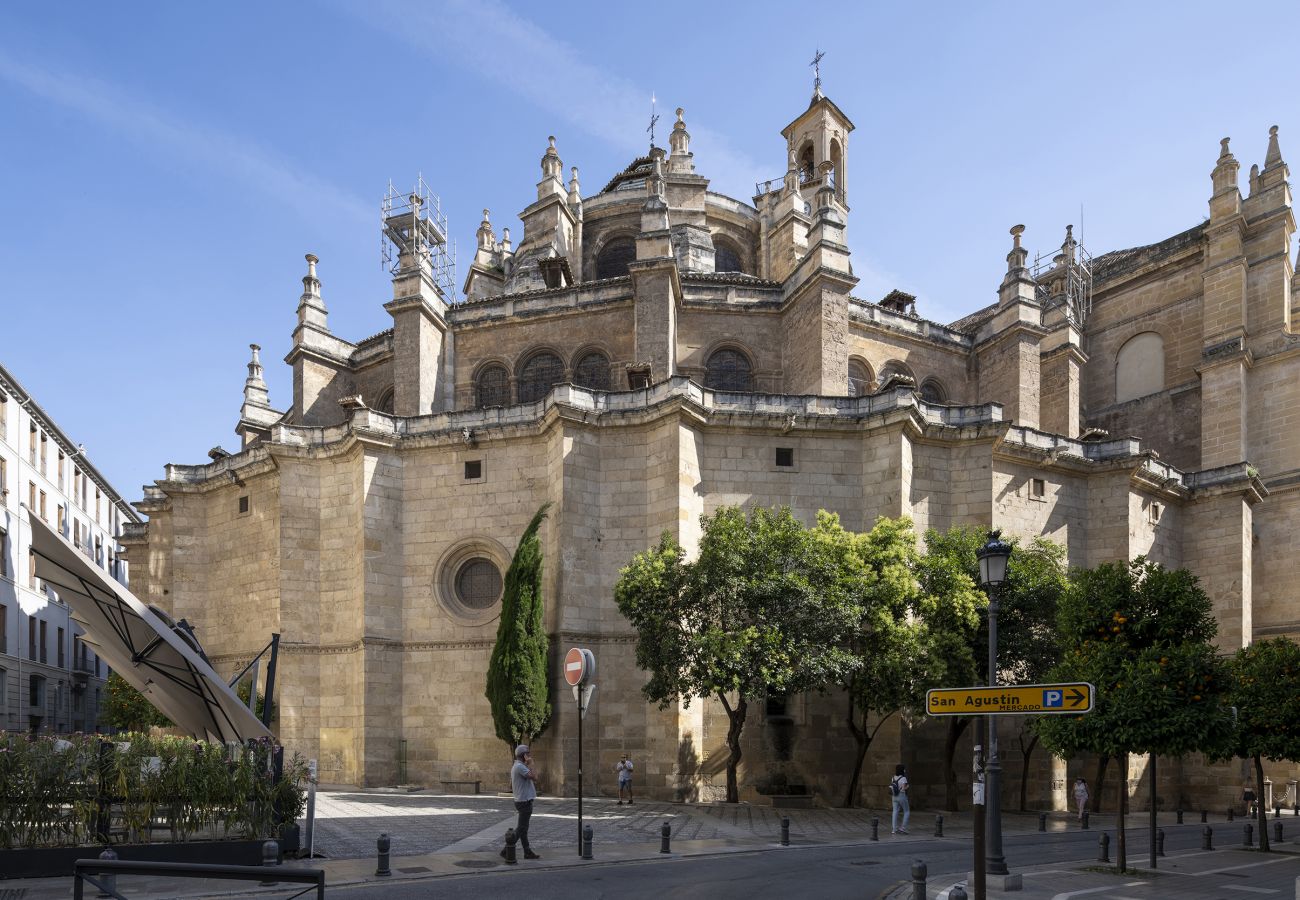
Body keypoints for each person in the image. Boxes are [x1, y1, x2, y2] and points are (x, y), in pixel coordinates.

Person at [506, 744, 541, 860]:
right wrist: (531, 763)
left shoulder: (517, 766)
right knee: (521, 828)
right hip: (524, 801)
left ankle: (527, 851)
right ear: (524, 755)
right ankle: (506, 849)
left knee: (523, 829)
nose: (530, 755)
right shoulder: (520, 767)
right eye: (528, 753)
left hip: (521, 800)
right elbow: (535, 777)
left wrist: (527, 765)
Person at [890, 764, 910, 835]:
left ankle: (894, 829)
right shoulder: (903, 778)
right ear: (902, 770)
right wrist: (907, 786)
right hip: (901, 796)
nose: (905, 770)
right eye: (904, 769)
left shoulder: (893, 777)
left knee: (895, 811)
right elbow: (903, 788)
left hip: (894, 796)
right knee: (907, 811)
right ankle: (903, 828)